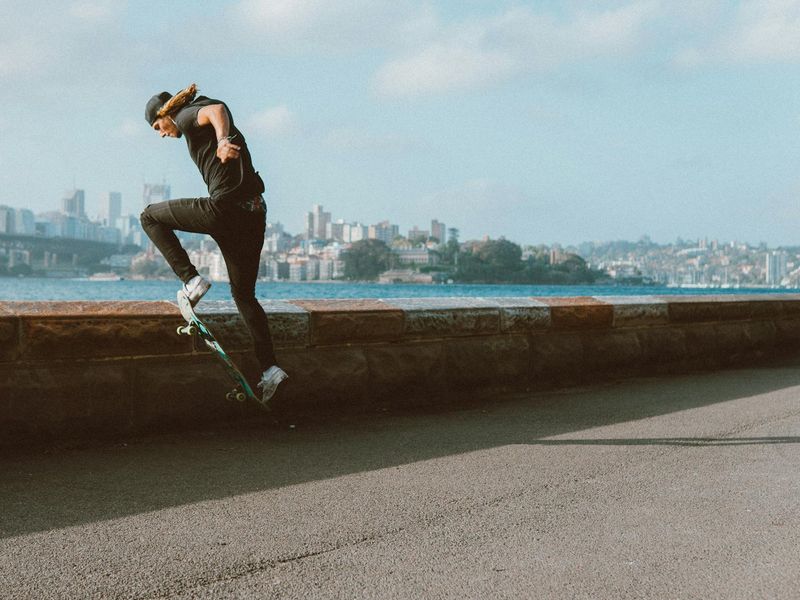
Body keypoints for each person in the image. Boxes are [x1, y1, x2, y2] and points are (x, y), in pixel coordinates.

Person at [140, 83, 288, 406]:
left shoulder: (187, 115)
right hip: (253, 215)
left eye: (157, 127)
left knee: (149, 216)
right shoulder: (191, 116)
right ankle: (270, 368)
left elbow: (216, 111)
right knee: (244, 295)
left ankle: (191, 280)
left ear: (165, 114)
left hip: (224, 211)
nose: (161, 134)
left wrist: (222, 140)